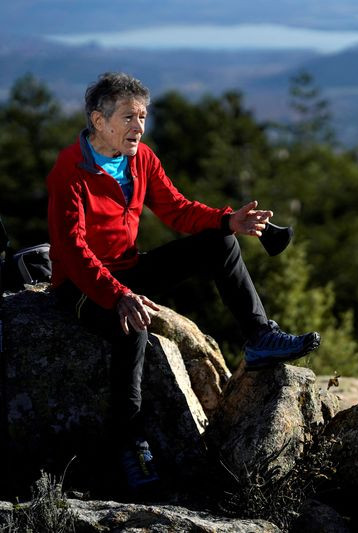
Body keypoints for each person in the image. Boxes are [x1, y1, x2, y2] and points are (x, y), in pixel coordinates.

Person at [46, 72, 321, 491]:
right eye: (128, 117)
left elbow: (175, 209)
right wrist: (118, 295)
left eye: (143, 116)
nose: (138, 127)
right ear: (98, 121)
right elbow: (71, 250)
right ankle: (128, 443)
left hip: (128, 269)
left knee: (220, 243)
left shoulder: (141, 158)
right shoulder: (70, 171)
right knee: (132, 326)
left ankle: (260, 337)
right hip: (82, 287)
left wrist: (227, 220)